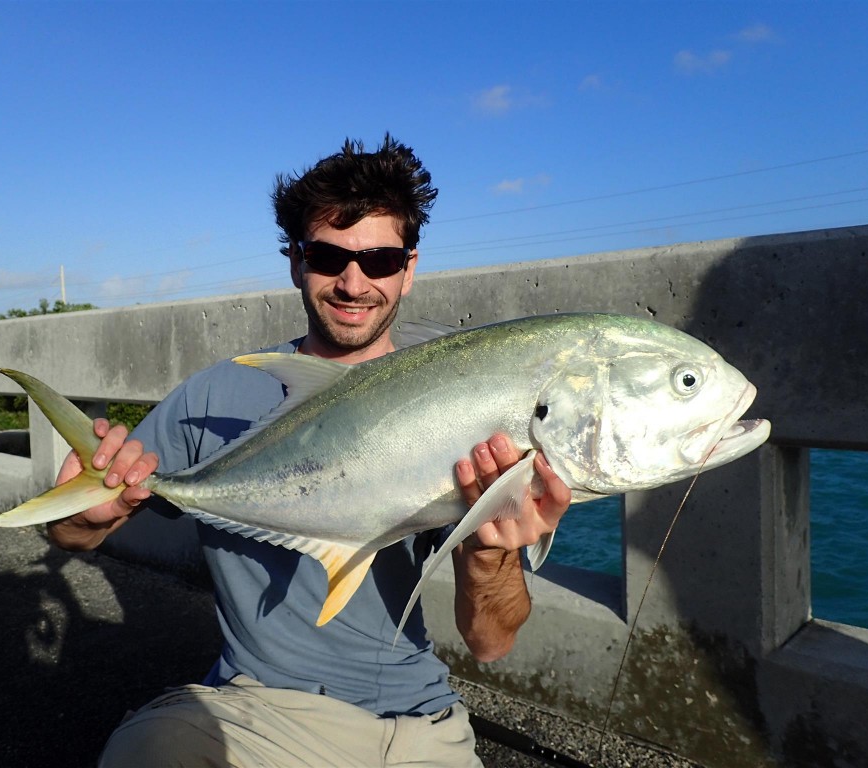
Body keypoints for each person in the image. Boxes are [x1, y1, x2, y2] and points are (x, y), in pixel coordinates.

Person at [49, 134, 571, 767]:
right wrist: (84, 513)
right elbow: (73, 538)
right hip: (259, 713)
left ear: (409, 269)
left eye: (380, 260)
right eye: (328, 256)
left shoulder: (454, 396)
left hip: (419, 725)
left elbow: (489, 643)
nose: (354, 283)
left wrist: (492, 554)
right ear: (296, 261)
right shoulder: (216, 395)